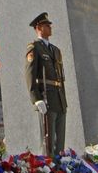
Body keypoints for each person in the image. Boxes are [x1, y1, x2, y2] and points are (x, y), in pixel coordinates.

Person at [25, 12, 67, 156]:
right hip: (47, 97)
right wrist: (36, 99)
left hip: (60, 98)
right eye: (47, 25)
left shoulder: (56, 50)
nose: (50, 27)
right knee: (49, 141)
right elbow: (30, 74)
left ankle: (61, 167)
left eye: (49, 25)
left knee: (60, 141)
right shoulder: (34, 47)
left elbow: (61, 77)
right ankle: (52, 169)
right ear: (39, 28)